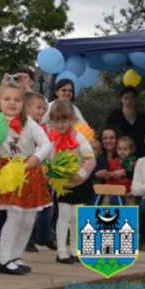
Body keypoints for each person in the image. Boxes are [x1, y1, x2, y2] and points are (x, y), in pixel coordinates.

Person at [0, 81, 53, 275]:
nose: (12, 102)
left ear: (23, 105)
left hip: (30, 173)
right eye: (7, 99)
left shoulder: (30, 124)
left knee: (28, 220)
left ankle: (16, 257)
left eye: (17, 99)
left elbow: (47, 144)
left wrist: (36, 157)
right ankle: (4, 260)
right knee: (15, 217)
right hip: (10, 175)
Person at [47, 100, 95, 264]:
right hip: (62, 185)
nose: (60, 125)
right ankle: (61, 251)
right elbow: (45, 159)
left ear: (72, 120)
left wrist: (80, 174)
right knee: (64, 215)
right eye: (56, 120)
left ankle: (75, 249)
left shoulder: (79, 137)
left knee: (77, 217)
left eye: (64, 120)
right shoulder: (50, 138)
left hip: (80, 182)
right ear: (51, 120)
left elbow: (90, 159)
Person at [24, 92, 56, 253]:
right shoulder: (24, 126)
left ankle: (41, 235)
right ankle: (28, 240)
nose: (42, 111)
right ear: (27, 108)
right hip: (27, 170)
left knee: (44, 206)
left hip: (43, 170)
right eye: (39, 107)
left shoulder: (43, 127)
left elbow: (48, 148)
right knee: (29, 207)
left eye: (44, 108)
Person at [105, 86, 145, 157]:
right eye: (126, 98)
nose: (129, 101)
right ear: (121, 100)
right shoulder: (114, 116)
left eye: (132, 98)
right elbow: (107, 134)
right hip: (119, 156)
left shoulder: (142, 118)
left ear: (136, 99)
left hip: (140, 156)